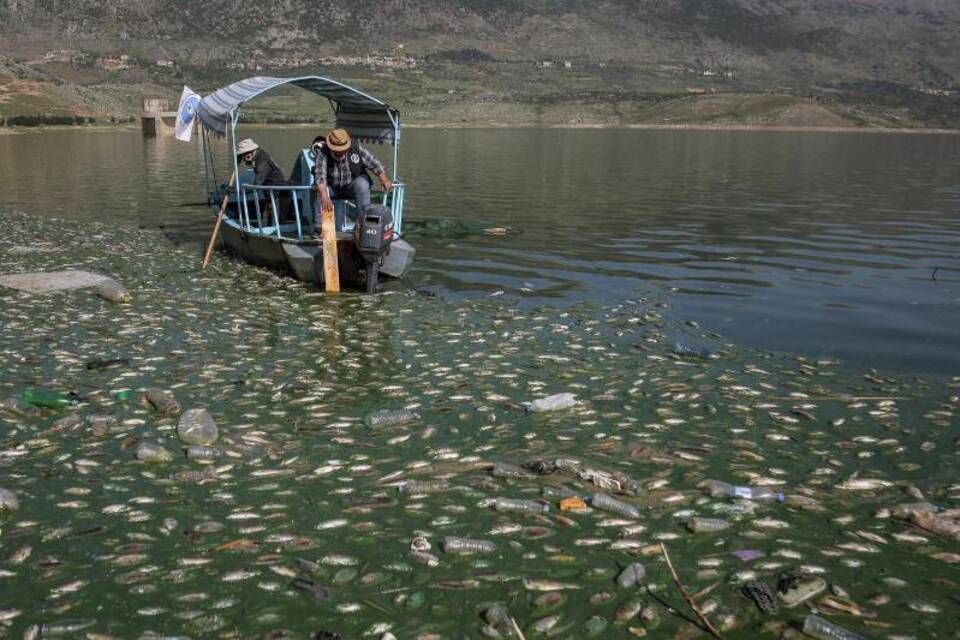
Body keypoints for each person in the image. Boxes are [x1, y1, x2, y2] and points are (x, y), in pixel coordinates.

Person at [313, 128, 392, 220]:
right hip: (332, 188)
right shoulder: (323, 153)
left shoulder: (355, 148)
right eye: (336, 149)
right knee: (318, 190)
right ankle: (319, 227)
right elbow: (320, 175)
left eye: (342, 149)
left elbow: (374, 163)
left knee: (362, 185)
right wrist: (324, 195)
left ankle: (362, 223)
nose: (339, 151)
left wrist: (384, 179)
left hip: (351, 186)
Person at [236, 138, 293, 225]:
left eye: (244, 156)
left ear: (250, 153)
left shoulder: (262, 162)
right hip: (273, 193)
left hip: (279, 195)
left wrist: (239, 191)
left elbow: (257, 185)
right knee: (272, 219)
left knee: (276, 222)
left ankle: (275, 234)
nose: (244, 159)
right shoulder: (260, 155)